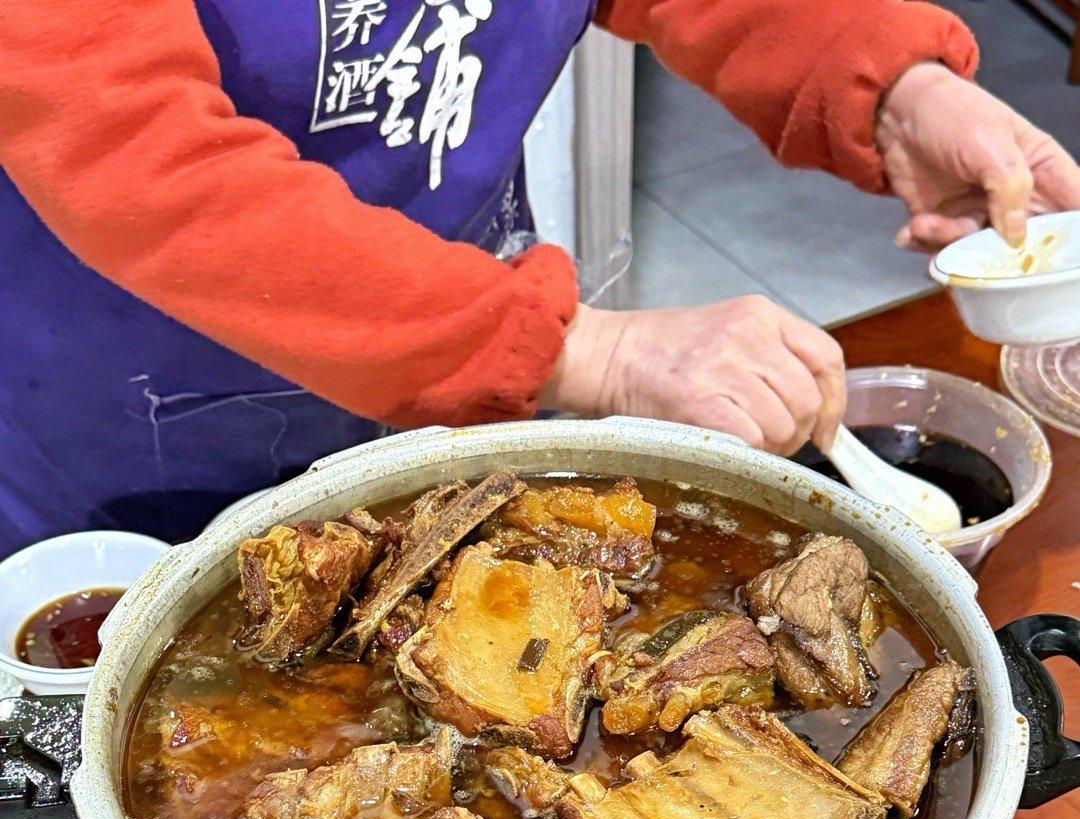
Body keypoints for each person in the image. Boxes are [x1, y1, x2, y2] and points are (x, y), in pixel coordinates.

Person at [1, 0, 1077, 556]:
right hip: (132, 419)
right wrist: (588, 350)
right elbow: (135, 159)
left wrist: (886, 84)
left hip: (448, 355)